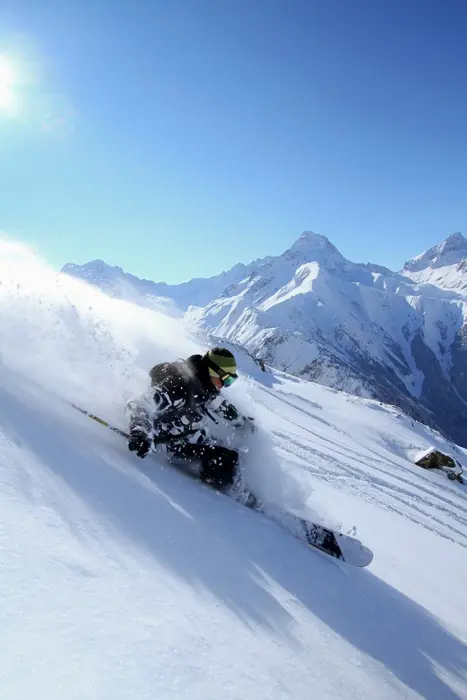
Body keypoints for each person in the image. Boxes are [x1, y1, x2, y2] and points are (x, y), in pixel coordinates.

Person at [126, 347, 252, 489]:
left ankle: (238, 486)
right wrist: (139, 431)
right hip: (171, 446)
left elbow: (222, 406)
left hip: (192, 437)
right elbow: (141, 403)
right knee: (226, 460)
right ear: (214, 371)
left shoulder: (204, 386)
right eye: (226, 380)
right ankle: (235, 495)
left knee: (238, 454)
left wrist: (243, 423)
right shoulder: (179, 387)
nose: (224, 386)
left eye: (229, 381)